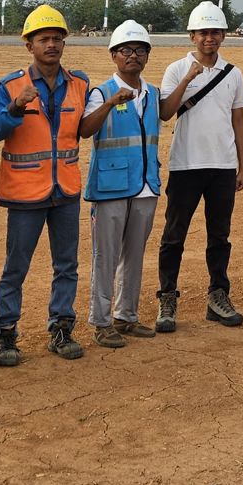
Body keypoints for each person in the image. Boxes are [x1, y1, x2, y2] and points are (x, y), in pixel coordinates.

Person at [0, 5, 90, 366]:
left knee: (67, 264)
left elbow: (81, 130)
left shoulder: (79, 83)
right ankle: (5, 334)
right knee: (16, 266)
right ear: (28, 45)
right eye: (43, 39)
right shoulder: (9, 85)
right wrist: (15, 107)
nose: (51, 45)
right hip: (25, 193)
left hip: (65, 191)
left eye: (57, 39)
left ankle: (61, 328)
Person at [155, 1, 243, 331]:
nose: (209, 38)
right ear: (192, 36)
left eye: (215, 32)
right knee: (173, 236)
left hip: (222, 165)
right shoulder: (175, 69)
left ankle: (218, 295)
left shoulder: (233, 73)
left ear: (223, 35)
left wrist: (242, 166)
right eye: (203, 32)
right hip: (186, 164)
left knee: (219, 236)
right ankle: (167, 297)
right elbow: (166, 112)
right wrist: (189, 77)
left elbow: (238, 120)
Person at [80, 20, 162, 349]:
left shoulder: (153, 93)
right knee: (106, 257)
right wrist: (110, 103)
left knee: (135, 255)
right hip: (110, 187)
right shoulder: (100, 92)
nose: (133, 56)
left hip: (145, 187)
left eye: (140, 50)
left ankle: (126, 315)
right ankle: (101, 321)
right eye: (125, 50)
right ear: (114, 55)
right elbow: (85, 130)